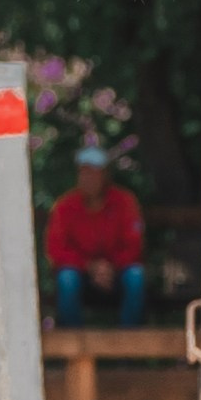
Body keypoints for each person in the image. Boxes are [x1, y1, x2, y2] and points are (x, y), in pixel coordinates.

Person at [45, 139, 146, 327]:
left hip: (116, 273)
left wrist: (109, 267)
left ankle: (128, 347)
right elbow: (56, 249)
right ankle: (74, 348)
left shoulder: (125, 202)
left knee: (136, 276)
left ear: (106, 175)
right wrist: (89, 266)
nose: (88, 178)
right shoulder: (65, 206)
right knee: (66, 278)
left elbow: (134, 245)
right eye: (84, 172)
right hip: (80, 275)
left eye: (94, 172)